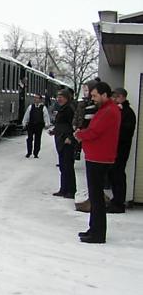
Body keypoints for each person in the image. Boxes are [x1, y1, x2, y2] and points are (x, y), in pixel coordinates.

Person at [73, 82, 121, 244]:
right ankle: (94, 229)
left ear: (104, 95)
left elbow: (95, 132)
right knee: (95, 196)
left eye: (94, 96)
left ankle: (98, 233)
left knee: (96, 197)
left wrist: (80, 135)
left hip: (99, 158)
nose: (92, 99)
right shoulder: (106, 110)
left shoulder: (108, 111)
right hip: (97, 156)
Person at [106, 87, 137, 213]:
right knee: (113, 174)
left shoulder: (127, 112)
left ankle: (119, 203)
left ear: (122, 97)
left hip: (121, 148)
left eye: (116, 97)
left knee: (118, 174)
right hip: (114, 148)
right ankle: (116, 200)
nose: (113, 99)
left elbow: (125, 132)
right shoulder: (118, 110)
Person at [73, 80, 100, 211]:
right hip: (88, 142)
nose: (86, 93)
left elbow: (89, 126)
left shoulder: (93, 108)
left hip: (92, 144)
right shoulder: (85, 105)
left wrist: (80, 134)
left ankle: (92, 201)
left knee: (91, 175)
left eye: (87, 90)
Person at [49, 89, 76, 198]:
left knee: (68, 166)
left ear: (67, 98)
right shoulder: (62, 109)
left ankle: (71, 190)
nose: (59, 99)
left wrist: (70, 137)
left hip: (66, 140)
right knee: (63, 166)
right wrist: (54, 131)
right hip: (60, 139)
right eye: (58, 97)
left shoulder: (69, 109)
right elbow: (61, 124)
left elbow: (72, 125)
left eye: (61, 97)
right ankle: (63, 189)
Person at [21, 94, 51, 158]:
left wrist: (47, 124)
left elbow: (46, 116)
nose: (35, 99)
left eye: (37, 98)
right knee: (29, 138)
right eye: (35, 98)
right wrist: (24, 123)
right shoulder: (30, 107)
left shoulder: (43, 108)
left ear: (40, 99)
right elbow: (27, 115)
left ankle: (36, 153)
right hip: (31, 125)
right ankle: (29, 152)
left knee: (37, 139)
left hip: (39, 125)